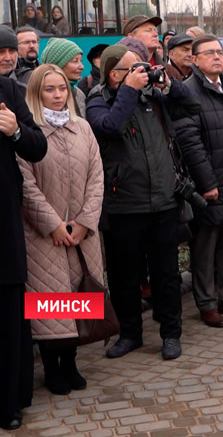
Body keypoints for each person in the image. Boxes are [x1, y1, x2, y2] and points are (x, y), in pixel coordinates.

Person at [86, 44, 200, 360]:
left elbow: (192, 108)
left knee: (166, 274)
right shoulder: (99, 100)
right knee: (125, 276)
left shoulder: (154, 98)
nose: (142, 72)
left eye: (142, 67)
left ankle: (171, 334)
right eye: (133, 68)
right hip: (124, 204)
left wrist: (170, 85)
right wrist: (130, 92)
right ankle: (129, 334)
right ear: (113, 74)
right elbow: (110, 127)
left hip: (163, 201)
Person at [18, 64, 103, 395]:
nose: (57, 95)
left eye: (62, 89)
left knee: (78, 298)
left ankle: (71, 361)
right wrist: (51, 224)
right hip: (43, 237)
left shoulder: (82, 128)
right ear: (36, 94)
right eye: (49, 90)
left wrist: (84, 222)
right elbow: (25, 184)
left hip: (82, 234)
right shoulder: (28, 132)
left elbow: (97, 177)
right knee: (49, 303)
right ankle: (52, 367)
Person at [173, 35, 223, 327]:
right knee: (206, 247)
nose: (218, 58)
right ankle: (207, 302)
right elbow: (189, 143)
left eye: (221, 52)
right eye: (210, 53)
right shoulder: (187, 91)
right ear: (194, 60)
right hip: (211, 181)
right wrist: (206, 184)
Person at [0, 66, 47, 432]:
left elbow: (37, 146)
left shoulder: (8, 91)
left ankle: (9, 401)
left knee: (9, 312)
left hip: (2, 225)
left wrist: (14, 131)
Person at [40, 38, 87, 117]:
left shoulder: (79, 94)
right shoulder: (37, 93)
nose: (82, 66)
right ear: (58, 64)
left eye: (80, 60)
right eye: (75, 61)